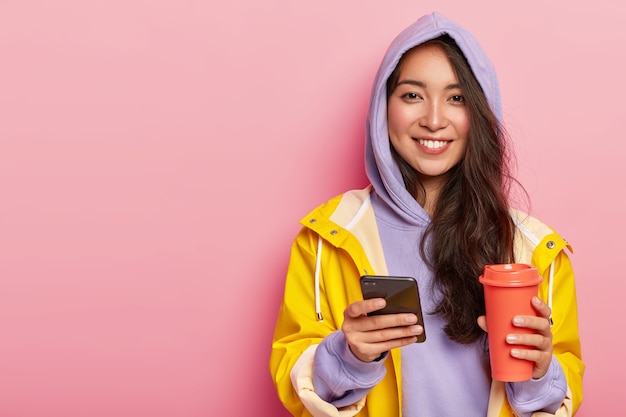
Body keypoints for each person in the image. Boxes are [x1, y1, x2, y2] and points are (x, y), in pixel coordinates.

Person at [269, 12, 584, 417]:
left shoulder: (534, 249)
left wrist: (540, 374)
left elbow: (560, 397)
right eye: (413, 95)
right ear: (384, 106)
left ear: (481, 113)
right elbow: (296, 383)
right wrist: (348, 356)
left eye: (457, 98)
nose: (434, 120)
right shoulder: (328, 237)